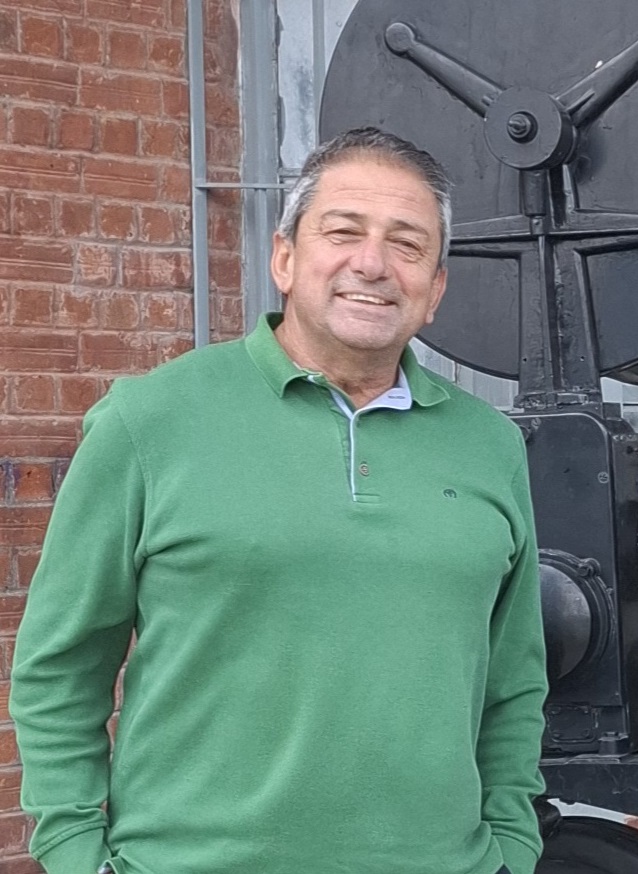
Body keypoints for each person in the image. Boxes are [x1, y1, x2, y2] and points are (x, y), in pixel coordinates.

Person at [10, 127, 548, 874]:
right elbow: (61, 665)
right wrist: (75, 854)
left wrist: (511, 848)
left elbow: (514, 685)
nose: (372, 264)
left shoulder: (490, 446)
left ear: (435, 290)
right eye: (344, 232)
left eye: (407, 244)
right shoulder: (150, 421)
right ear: (285, 258)